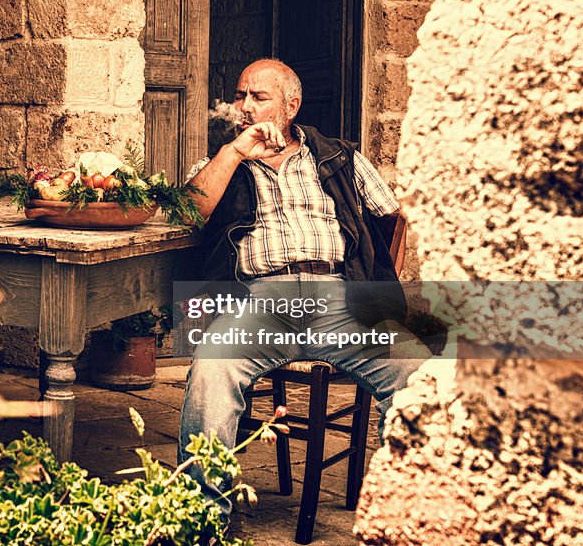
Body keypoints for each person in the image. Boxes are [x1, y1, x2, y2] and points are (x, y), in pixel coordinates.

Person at [178, 58, 427, 518]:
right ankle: (200, 517)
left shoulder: (338, 156)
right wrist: (234, 153)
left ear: (290, 105)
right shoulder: (222, 161)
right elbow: (188, 215)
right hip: (259, 301)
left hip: (337, 297)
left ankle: (407, 505)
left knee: (417, 374)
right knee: (212, 372)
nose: (245, 107)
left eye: (259, 97)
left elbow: (393, 217)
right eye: (239, 96)